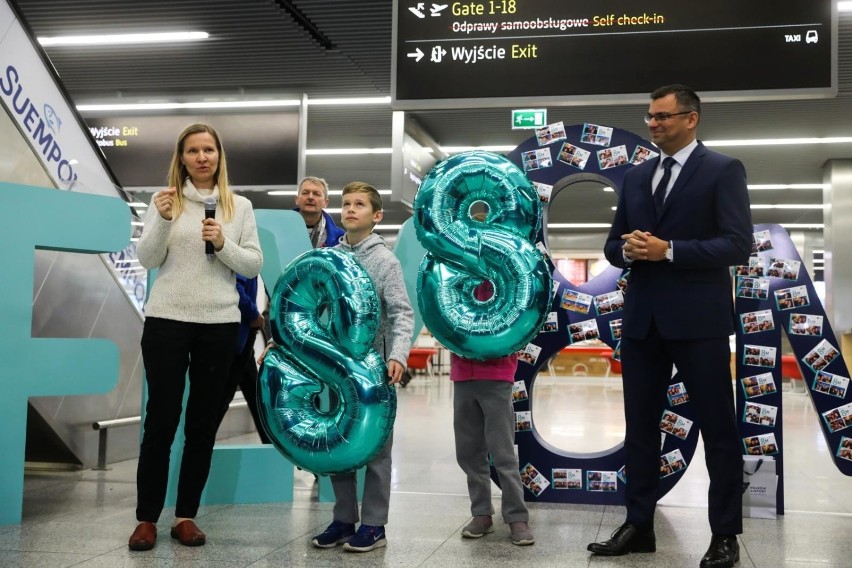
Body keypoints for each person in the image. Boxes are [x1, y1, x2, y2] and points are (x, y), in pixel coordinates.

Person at [589, 85, 752, 568]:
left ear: (692, 118)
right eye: (650, 116)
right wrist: (630, 251)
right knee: (640, 427)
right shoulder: (637, 177)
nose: (653, 124)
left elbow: (736, 245)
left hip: (699, 320)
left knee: (718, 428)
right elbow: (612, 246)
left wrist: (670, 250)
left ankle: (724, 533)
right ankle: (639, 524)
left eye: (663, 116)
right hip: (643, 320)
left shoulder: (723, 170)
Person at [128, 123, 263, 551]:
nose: (202, 157)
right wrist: (166, 221)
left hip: (219, 325)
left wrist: (222, 242)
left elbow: (252, 265)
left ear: (219, 156)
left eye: (209, 150)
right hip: (166, 320)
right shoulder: (164, 201)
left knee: (201, 425)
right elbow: (147, 258)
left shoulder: (238, 207)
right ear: (181, 158)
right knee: (161, 421)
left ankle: (186, 516)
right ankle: (146, 518)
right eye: (193, 151)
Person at [309, 181, 414, 553]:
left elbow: (402, 313)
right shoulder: (328, 257)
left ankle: (374, 524)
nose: (350, 209)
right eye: (346, 203)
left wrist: (397, 355)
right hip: (334, 370)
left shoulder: (385, 261)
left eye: (359, 205)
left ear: (376, 215)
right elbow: (313, 308)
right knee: (338, 444)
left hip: (373, 372)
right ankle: (343, 519)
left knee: (376, 451)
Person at [450, 282, 535, 547]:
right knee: (468, 451)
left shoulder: (506, 281)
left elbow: (520, 322)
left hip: (497, 376)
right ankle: (481, 514)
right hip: (463, 375)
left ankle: (517, 517)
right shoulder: (458, 280)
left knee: (502, 452)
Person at [215, 274, 270, 444]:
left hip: (243, 337)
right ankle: (199, 447)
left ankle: (271, 446)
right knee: (221, 398)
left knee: (255, 394)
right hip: (235, 336)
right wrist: (254, 315)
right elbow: (235, 287)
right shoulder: (243, 255)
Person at [293, 176, 345, 248]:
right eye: (305, 193)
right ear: (296, 199)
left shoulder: (341, 238)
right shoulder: (278, 231)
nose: (310, 197)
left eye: (316, 194)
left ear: (325, 203)